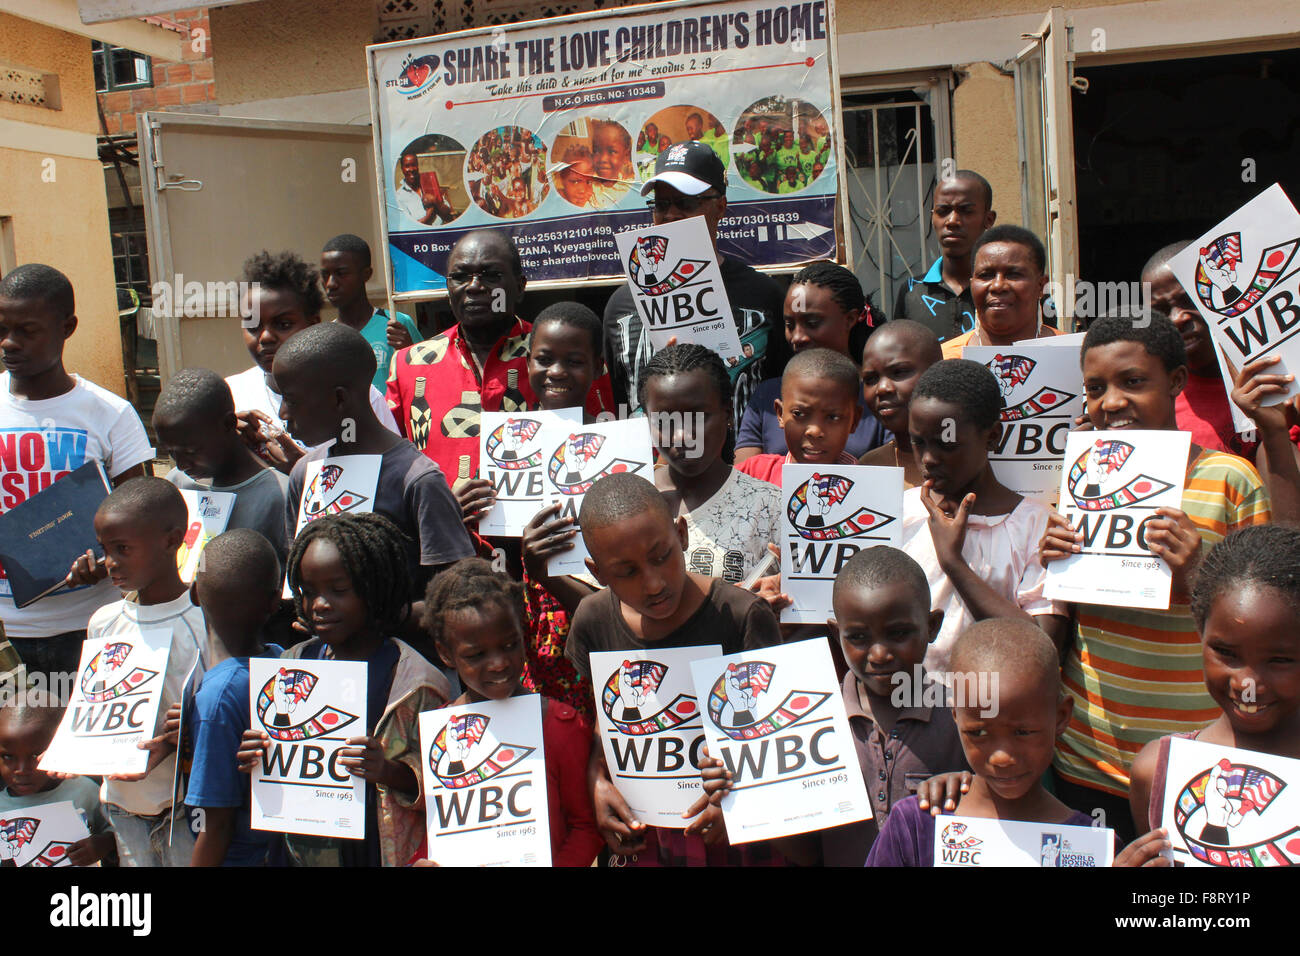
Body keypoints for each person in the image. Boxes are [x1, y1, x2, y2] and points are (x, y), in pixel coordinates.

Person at [1040, 312, 1271, 843]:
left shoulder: (1231, 480)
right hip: (1087, 758)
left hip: (1196, 763)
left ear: (1176, 382)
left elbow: (1268, 628)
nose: (1112, 402)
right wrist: (1051, 562)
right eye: (1095, 388)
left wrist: (1198, 573)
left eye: (1133, 382)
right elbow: (1061, 616)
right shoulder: (1077, 479)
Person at [564, 473, 783, 865]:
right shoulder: (592, 620)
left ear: (681, 535)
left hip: (734, 843)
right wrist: (596, 781)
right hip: (642, 841)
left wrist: (740, 799)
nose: (653, 583)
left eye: (661, 556)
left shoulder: (740, 615)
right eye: (627, 572)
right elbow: (600, 720)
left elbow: (774, 738)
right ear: (597, 574)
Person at [237, 513, 452, 866]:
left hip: (375, 850)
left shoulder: (416, 684)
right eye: (307, 592)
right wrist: (256, 756)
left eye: (338, 591)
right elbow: (272, 762)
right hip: (296, 851)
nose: (319, 605)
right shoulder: (291, 665)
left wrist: (387, 771)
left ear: (375, 588)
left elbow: (444, 787)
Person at [866, 618, 1159, 866]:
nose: (1001, 757)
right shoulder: (917, 824)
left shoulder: (1091, 844)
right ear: (955, 716)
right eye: (978, 732)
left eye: (1022, 732)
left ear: (1060, 717)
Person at [0, 264, 153, 680]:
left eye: (26, 330)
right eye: (2, 327)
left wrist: (108, 561)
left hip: (92, 626)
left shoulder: (110, 415)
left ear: (67, 327)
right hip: (5, 633)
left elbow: (144, 518)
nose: (8, 343)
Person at [415, 558, 603, 866]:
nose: (499, 663)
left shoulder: (560, 726)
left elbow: (586, 826)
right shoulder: (440, 732)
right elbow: (438, 827)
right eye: (476, 654)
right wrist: (423, 860)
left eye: (509, 645)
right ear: (445, 654)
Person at [274, 322, 474, 610]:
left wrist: (388, 618)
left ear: (340, 398)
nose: (283, 414)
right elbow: (298, 582)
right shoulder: (304, 474)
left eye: (291, 400)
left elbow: (456, 598)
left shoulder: (417, 480)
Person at [1127, 525, 1300, 851]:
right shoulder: (1156, 771)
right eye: (1227, 654)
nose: (1247, 684)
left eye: (1279, 660)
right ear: (1199, 631)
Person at [901, 359, 1068, 672]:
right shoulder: (900, 514)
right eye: (918, 442)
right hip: (912, 709)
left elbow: (1044, 647)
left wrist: (953, 563)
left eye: (946, 445)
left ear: (992, 436)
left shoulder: (1038, 525)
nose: (928, 459)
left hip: (997, 715)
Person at [604, 140, 786, 424]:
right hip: (652, 465)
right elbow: (620, 402)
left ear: (721, 207)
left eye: (686, 203)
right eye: (661, 204)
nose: (671, 214)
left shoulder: (763, 295)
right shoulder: (621, 307)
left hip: (740, 465)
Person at [88, 478, 209, 867]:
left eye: (122, 549)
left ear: (173, 540)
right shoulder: (104, 622)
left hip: (185, 808)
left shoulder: (206, 621)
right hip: (123, 808)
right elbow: (92, 707)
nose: (110, 562)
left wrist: (181, 738)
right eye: (106, 549)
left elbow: (220, 711)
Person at [820, 546, 967, 865]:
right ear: (836, 634)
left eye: (898, 633)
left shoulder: (962, 720)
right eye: (858, 637)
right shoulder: (815, 720)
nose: (879, 654)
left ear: (932, 627)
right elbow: (804, 852)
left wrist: (974, 786)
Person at [388, 231, 563, 489]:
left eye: (490, 275)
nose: (474, 287)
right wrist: (442, 506)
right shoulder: (408, 365)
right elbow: (390, 465)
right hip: (440, 527)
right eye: (460, 277)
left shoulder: (562, 358)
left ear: (520, 286)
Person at [227, 250, 397, 475]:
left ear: (313, 324)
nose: (266, 337)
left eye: (284, 324)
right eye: (253, 326)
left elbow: (392, 475)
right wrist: (223, 445)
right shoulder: (230, 396)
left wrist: (303, 469)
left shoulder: (358, 395)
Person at [641, 344, 781, 584]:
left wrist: (774, 608)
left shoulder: (770, 506)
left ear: (727, 414)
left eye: (698, 418)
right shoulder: (627, 503)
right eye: (665, 421)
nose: (682, 436)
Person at [184, 529, 284, 867]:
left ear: (195, 593)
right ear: (274, 601)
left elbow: (218, 823)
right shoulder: (285, 665)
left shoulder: (217, 697)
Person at [736, 262, 890, 462]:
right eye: (790, 325)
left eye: (812, 323)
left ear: (850, 319)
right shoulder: (766, 395)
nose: (797, 337)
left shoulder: (880, 397)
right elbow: (746, 479)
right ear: (779, 411)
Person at [154, 368, 290, 563]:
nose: (182, 464)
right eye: (171, 452)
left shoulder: (278, 497)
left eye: (191, 451)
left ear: (228, 424)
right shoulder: (177, 485)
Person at [0, 691, 116, 866]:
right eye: (8, 757)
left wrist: (103, 844)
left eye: (34, 756)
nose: (21, 770)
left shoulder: (84, 791)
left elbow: (121, 836)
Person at [893, 171, 996, 343]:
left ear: (989, 219)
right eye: (943, 211)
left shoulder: (1004, 290)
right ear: (932, 218)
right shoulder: (911, 291)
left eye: (966, 211)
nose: (952, 221)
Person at [737, 348, 862, 487]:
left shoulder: (869, 486)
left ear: (854, 420)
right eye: (799, 414)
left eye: (832, 417)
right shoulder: (753, 475)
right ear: (780, 414)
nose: (814, 431)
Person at [320, 234, 422, 393]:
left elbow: (425, 377)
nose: (330, 284)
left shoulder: (396, 323)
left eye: (341, 273)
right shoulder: (324, 338)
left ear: (366, 274)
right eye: (325, 275)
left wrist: (409, 352)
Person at [940, 225, 1061, 358]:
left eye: (1013, 274)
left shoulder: (1074, 355)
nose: (997, 286)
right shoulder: (943, 360)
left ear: (1041, 285)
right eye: (986, 275)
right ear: (972, 284)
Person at [858, 320, 944, 487]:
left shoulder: (967, 461)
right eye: (871, 379)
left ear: (937, 372)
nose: (882, 389)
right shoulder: (869, 467)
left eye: (899, 372)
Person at [395, 150, 454, 226]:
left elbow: (448, 214)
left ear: (418, 166)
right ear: (402, 169)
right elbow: (410, 226)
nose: (411, 169)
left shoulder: (430, 184)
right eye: (407, 166)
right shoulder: (399, 196)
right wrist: (430, 212)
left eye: (414, 165)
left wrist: (434, 200)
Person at [589, 120, 633, 208]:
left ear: (626, 156)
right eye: (597, 150)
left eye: (612, 151)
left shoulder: (630, 188)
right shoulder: (586, 188)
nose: (603, 159)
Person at [554, 145, 597, 209]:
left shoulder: (592, 205)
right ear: (562, 179)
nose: (583, 190)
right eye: (575, 182)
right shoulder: (555, 203)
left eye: (589, 182)